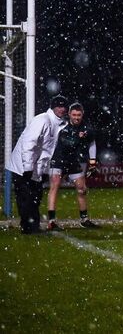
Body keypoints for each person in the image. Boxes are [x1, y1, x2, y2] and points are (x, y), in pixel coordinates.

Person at [6, 94, 69, 234]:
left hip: (35, 168)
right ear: (53, 107)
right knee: (26, 198)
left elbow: (47, 152)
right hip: (22, 166)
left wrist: (44, 171)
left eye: (64, 106)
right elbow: (29, 144)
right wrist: (27, 167)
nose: (62, 109)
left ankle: (32, 226)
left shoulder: (58, 124)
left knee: (35, 197)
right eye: (59, 106)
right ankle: (29, 228)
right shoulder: (42, 120)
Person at [46, 103, 100, 231]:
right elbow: (66, 143)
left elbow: (92, 142)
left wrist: (92, 162)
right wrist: (77, 137)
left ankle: (84, 219)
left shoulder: (86, 128)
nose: (76, 117)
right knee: (54, 187)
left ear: (82, 115)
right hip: (58, 159)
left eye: (79, 115)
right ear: (69, 114)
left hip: (73, 160)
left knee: (82, 189)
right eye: (74, 115)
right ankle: (51, 221)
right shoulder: (62, 126)